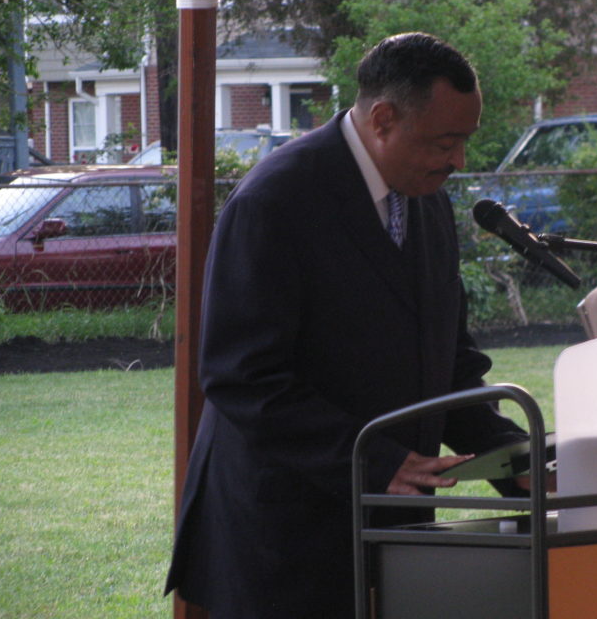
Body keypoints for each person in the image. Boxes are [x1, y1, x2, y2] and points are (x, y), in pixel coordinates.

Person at [165, 32, 528, 617]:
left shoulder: (427, 198)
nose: (459, 161)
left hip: (388, 532)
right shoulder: (276, 200)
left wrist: (512, 458)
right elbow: (241, 376)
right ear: (383, 118)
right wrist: (375, 461)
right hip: (284, 537)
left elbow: (446, 359)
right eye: (446, 140)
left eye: (466, 140)